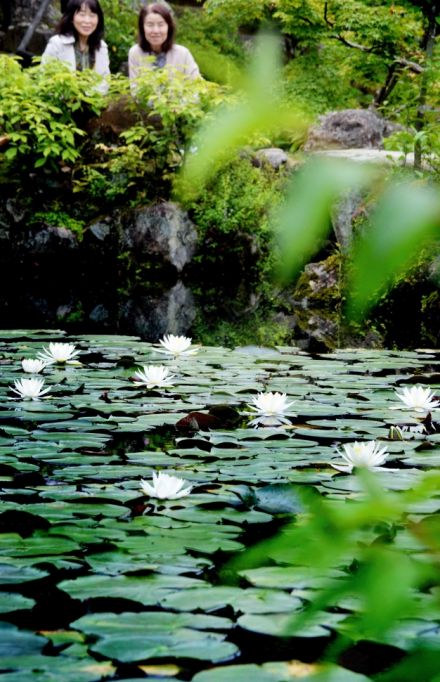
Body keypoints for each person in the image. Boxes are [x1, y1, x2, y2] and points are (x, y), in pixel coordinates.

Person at [42, 0, 110, 92]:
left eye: (92, 15)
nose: (87, 21)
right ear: (71, 18)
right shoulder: (57, 43)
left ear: (99, 19)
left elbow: (105, 81)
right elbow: (45, 78)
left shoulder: (101, 47)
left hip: (95, 103)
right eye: (82, 14)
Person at [128, 2, 200, 86]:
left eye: (161, 25)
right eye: (150, 25)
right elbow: (136, 90)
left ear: (169, 27)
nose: (155, 31)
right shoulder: (135, 53)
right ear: (142, 28)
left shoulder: (183, 54)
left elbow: (196, 88)